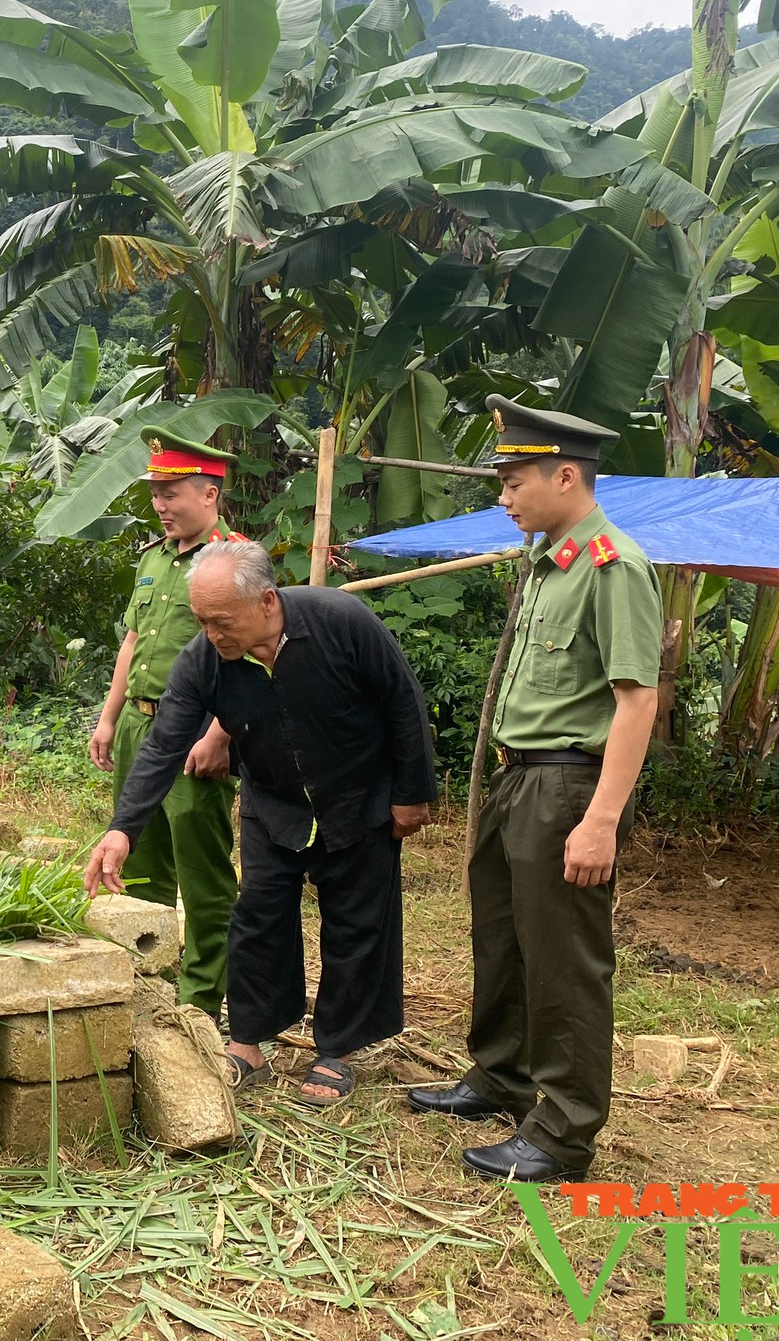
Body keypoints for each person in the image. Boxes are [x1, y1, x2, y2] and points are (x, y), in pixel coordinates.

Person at [85, 539, 437, 1109]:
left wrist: (411, 795)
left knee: (355, 921)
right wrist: (123, 827)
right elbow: (164, 743)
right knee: (258, 916)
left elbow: (402, 702)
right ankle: (248, 1042)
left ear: (267, 602)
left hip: (357, 795)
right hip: (273, 802)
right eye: (200, 621)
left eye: (220, 621)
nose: (211, 634)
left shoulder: (340, 621)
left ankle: (337, 1049)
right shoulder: (204, 658)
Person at [407, 396, 660, 1181]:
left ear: (564, 474)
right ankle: (500, 1076)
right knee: (504, 938)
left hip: (565, 788)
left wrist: (601, 819)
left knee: (565, 959)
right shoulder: (548, 562)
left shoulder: (613, 566)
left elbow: (636, 699)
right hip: (519, 780)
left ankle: (561, 1133)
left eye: (515, 480)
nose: (504, 496)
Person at [87, 432, 245, 1018]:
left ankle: (201, 999)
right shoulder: (154, 558)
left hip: (194, 735)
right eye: (155, 492)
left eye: (171, 492)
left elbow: (251, 657)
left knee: (201, 875)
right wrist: (108, 719)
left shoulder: (235, 562)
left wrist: (220, 734)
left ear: (209, 493)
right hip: (137, 726)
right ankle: (149, 983)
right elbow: (132, 642)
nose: (160, 504)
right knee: (139, 858)